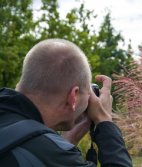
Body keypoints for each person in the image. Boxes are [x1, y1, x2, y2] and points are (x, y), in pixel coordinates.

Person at [0, 39, 132, 166]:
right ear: (73, 97)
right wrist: (104, 120)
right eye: (87, 94)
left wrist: (66, 142)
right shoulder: (51, 154)